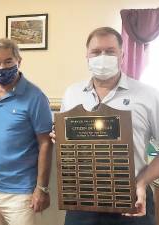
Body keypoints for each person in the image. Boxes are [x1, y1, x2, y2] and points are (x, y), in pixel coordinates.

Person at [54, 27, 159, 225]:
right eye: (96, 52)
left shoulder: (148, 94)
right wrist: (60, 138)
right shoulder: (72, 93)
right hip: (81, 202)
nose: (102, 57)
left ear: (122, 55)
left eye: (110, 51)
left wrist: (142, 182)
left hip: (132, 200)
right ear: (87, 56)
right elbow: (68, 146)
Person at [0, 38, 53, 225]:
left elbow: (45, 143)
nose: (2, 67)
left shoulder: (36, 97)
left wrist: (41, 188)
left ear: (19, 61)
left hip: (20, 193)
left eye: (8, 61)